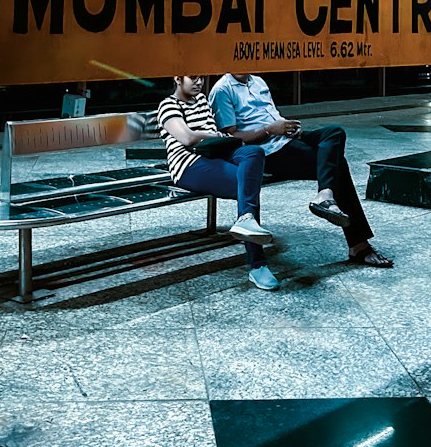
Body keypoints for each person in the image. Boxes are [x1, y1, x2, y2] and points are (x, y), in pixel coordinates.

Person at [209, 72, 393, 268]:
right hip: (267, 153)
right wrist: (270, 130)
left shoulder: (258, 82)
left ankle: (326, 194)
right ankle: (356, 242)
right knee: (337, 164)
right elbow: (232, 139)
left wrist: (288, 129)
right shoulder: (222, 90)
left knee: (334, 133)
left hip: (286, 139)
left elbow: (271, 116)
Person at [156, 75, 280, 291]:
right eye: (193, 78)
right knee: (247, 184)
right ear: (177, 78)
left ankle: (246, 219)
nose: (199, 83)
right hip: (188, 164)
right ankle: (258, 264)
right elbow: (187, 138)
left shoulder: (202, 100)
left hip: (215, 154)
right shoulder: (168, 105)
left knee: (254, 152)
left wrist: (216, 137)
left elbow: (208, 137)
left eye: (201, 78)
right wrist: (213, 134)